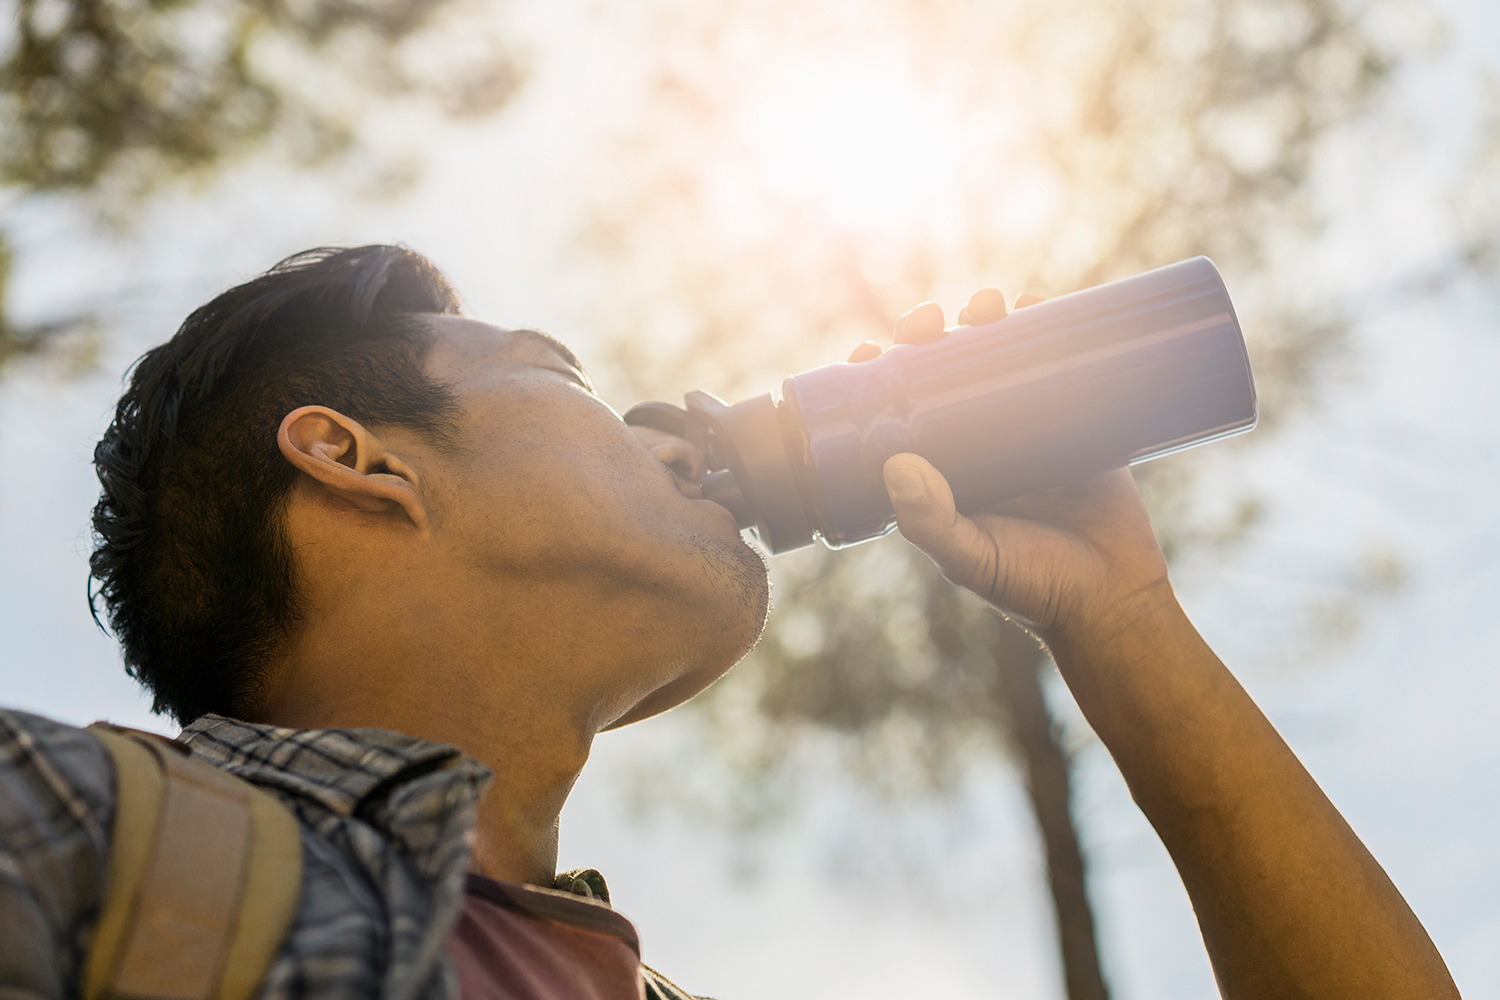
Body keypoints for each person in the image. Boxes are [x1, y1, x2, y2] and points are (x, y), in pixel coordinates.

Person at [0, 245, 1459, 1000]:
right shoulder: (77, 838)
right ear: (357, 457)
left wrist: (1126, 624)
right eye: (561, 371)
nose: (675, 430)